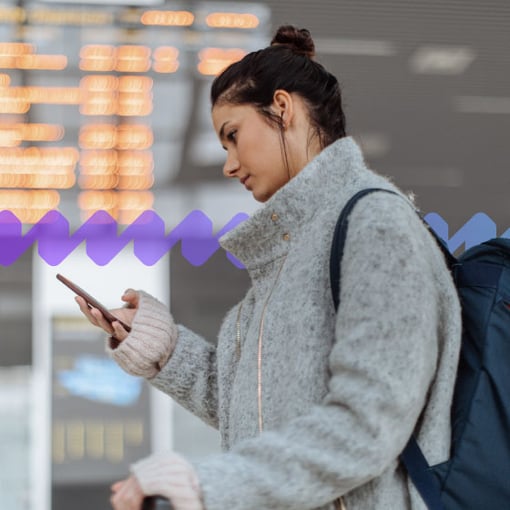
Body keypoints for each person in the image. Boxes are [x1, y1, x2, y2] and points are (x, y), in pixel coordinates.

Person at [77, 25, 462, 510]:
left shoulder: (374, 223)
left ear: (283, 107)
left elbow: (368, 424)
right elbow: (254, 411)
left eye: (233, 136)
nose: (229, 165)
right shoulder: (293, 249)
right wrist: (162, 346)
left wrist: (211, 486)